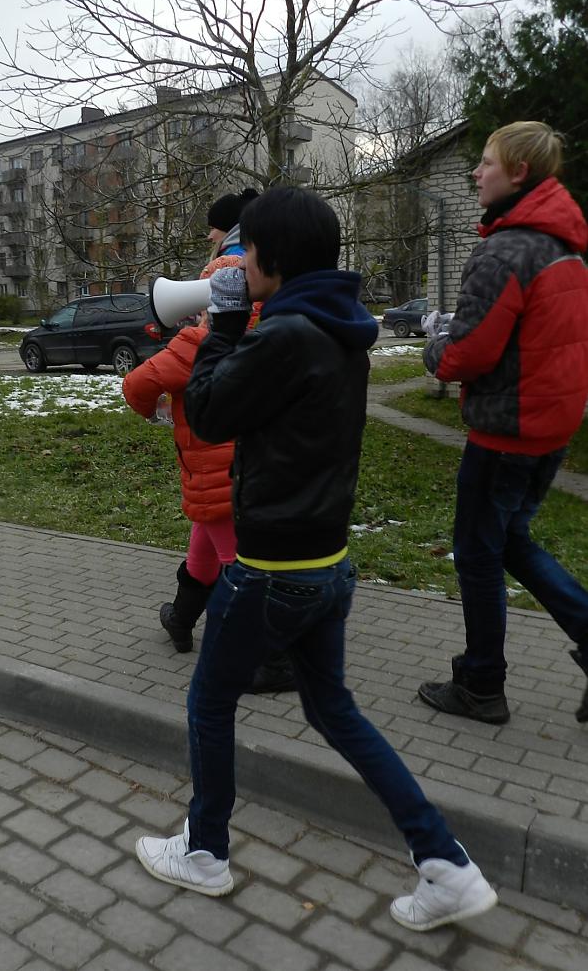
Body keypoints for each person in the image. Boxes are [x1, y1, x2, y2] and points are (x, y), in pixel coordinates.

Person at [135, 187, 497, 931]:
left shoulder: (285, 333)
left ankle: (203, 853)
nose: (241, 264)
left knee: (208, 702)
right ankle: (447, 866)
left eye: (249, 254)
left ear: (268, 260)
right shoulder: (340, 328)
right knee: (335, 712)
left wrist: (225, 324)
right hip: (326, 565)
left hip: (270, 571)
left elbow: (205, 411)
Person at [419, 121, 588, 725]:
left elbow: (469, 354)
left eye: (485, 161)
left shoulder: (506, 251)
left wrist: (432, 346)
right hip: (551, 428)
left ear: (518, 173)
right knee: (508, 540)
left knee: (477, 553)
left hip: (507, 433)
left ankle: (482, 685)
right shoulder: (565, 247)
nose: (475, 171)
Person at [123, 258, 295, 694]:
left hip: (214, 475)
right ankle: (181, 620)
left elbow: (135, 386)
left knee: (241, 568)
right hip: (253, 473)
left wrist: (155, 412)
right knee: (205, 549)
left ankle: (270, 657)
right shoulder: (272, 337)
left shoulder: (196, 344)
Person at [206, 187, 259, 260]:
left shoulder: (234, 258)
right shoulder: (249, 253)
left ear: (230, 229)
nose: (209, 236)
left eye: (212, 228)